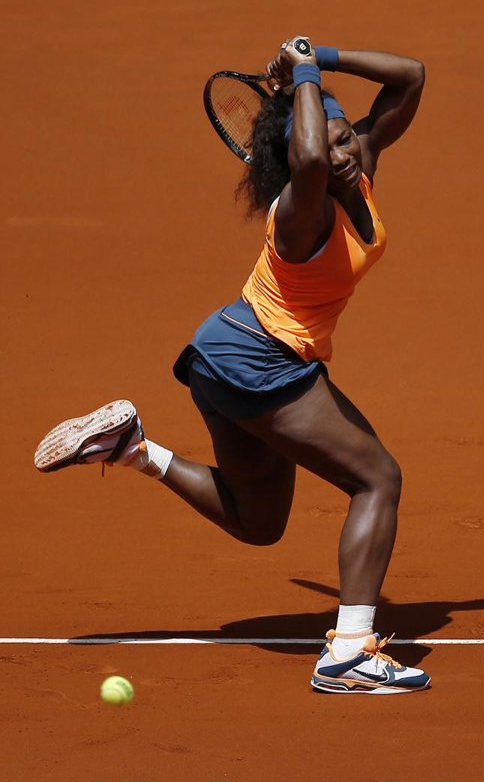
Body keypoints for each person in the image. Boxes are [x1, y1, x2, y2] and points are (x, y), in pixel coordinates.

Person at [33, 37, 428, 695]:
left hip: (222, 356)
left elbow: (411, 76)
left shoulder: (356, 166)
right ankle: (350, 654)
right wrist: (303, 71)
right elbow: (309, 157)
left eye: (346, 138)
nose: (342, 153)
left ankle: (132, 448)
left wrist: (323, 55)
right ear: (299, 160)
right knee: (377, 479)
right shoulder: (303, 210)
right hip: (261, 361)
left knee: (258, 524)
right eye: (328, 145)